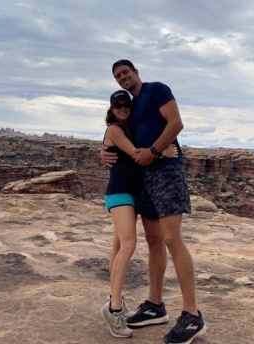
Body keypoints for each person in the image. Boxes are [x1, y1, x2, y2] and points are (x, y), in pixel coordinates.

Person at [101, 60, 207, 344]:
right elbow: (119, 137)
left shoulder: (157, 90)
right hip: (145, 179)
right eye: (117, 76)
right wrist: (104, 150)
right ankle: (155, 305)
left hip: (166, 173)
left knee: (172, 238)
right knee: (153, 240)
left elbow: (176, 123)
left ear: (136, 72)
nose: (123, 77)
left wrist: (155, 151)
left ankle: (192, 315)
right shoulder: (132, 108)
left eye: (126, 72)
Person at [100, 90, 178, 338]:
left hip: (133, 195)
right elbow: (135, 153)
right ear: (111, 110)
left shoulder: (128, 128)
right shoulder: (114, 129)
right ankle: (114, 309)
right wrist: (162, 151)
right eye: (118, 105)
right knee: (129, 245)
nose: (123, 108)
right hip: (120, 193)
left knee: (118, 246)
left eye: (126, 105)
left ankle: (113, 300)